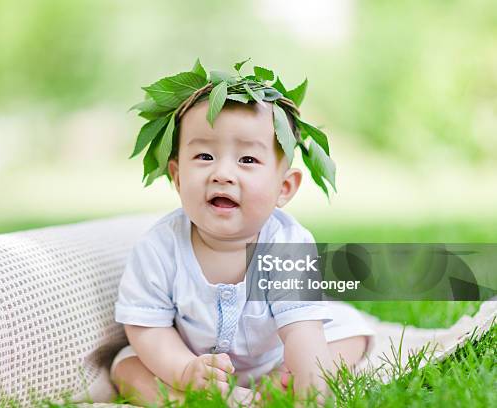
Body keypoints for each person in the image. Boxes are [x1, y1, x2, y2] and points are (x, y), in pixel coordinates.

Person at [111, 62, 374, 405]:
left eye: (248, 159)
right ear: (177, 177)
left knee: (349, 335)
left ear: (284, 187)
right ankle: (194, 397)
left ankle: (276, 386)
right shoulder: (159, 247)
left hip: (277, 357)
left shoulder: (286, 243)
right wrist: (184, 369)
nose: (222, 173)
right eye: (204, 155)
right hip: (194, 360)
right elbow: (148, 328)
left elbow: (302, 332)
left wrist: (310, 387)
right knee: (125, 366)